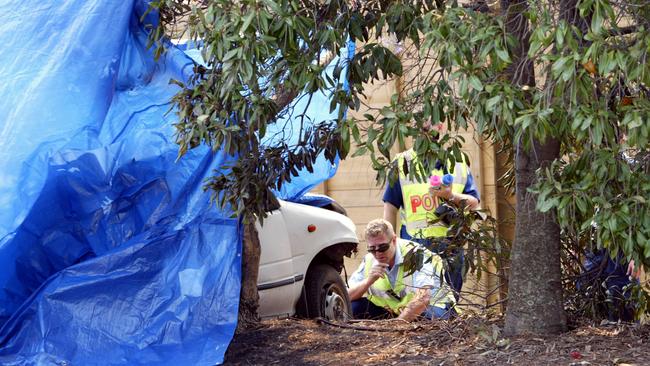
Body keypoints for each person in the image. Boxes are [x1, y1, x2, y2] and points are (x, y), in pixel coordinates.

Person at [383, 124, 480, 296]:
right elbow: (390, 209)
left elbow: (474, 204)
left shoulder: (457, 162)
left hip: (451, 247)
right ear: (413, 127)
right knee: (421, 302)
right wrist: (387, 246)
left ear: (443, 127)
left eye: (435, 121)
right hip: (415, 248)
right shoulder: (401, 163)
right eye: (423, 122)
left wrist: (451, 195)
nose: (428, 126)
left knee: (449, 303)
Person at [347, 219, 456, 321]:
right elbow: (347, 295)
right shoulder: (369, 260)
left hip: (436, 307)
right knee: (354, 307)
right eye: (372, 249)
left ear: (394, 240)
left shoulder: (415, 254)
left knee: (423, 317)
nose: (378, 253)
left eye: (382, 247)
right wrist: (368, 281)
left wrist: (398, 324)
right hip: (395, 312)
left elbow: (423, 298)